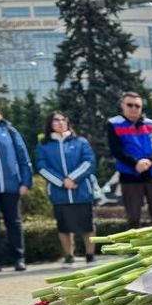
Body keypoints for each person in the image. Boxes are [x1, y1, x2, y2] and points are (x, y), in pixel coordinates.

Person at [36, 111, 98, 265]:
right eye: (56, 120)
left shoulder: (80, 142)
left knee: (87, 226)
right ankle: (69, 256)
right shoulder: (44, 146)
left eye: (63, 120)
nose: (60, 123)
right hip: (59, 194)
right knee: (64, 227)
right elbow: (42, 167)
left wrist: (73, 178)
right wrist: (62, 182)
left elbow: (89, 162)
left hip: (82, 191)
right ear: (50, 124)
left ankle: (90, 256)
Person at [107, 91, 152, 227]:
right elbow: (116, 150)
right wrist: (135, 163)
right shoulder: (114, 123)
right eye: (130, 105)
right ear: (122, 105)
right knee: (133, 219)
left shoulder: (150, 123)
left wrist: (150, 161)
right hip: (130, 175)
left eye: (137, 106)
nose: (134, 108)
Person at [0, 104, 32, 272]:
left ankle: (19, 259)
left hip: (12, 186)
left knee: (14, 223)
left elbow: (23, 158)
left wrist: (25, 182)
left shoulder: (10, 131)